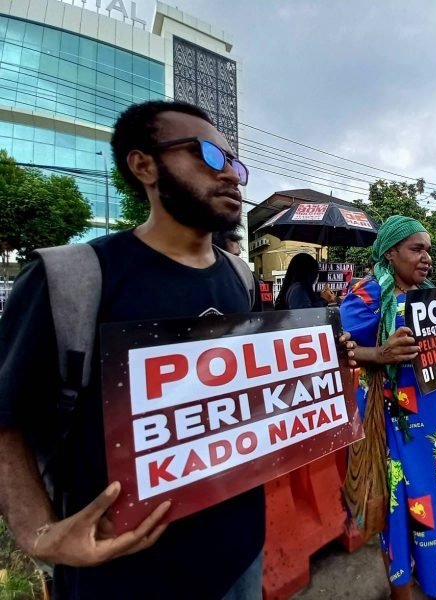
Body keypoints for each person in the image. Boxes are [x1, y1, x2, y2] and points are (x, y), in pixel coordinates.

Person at [0, 101, 266, 599]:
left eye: (234, 162)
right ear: (144, 165)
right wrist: (39, 533)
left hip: (242, 553)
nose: (231, 174)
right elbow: (6, 421)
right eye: (208, 154)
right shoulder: (71, 279)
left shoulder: (240, 277)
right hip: (123, 572)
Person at [340, 216, 436, 600]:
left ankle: (429, 575)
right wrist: (379, 353)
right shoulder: (366, 296)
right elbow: (337, 350)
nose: (426, 257)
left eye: (428, 249)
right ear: (391, 253)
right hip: (396, 424)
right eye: (416, 249)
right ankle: (401, 590)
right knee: (397, 509)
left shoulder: (433, 296)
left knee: (433, 503)